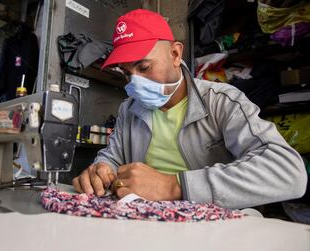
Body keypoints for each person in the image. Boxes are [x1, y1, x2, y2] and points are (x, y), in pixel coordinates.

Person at [72, 9, 307, 209]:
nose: (134, 83)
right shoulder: (129, 109)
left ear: (175, 54)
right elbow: (112, 157)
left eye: (144, 67)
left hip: (213, 228)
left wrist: (175, 186)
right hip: (144, 221)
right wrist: (101, 170)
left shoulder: (223, 101)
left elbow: (288, 173)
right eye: (126, 73)